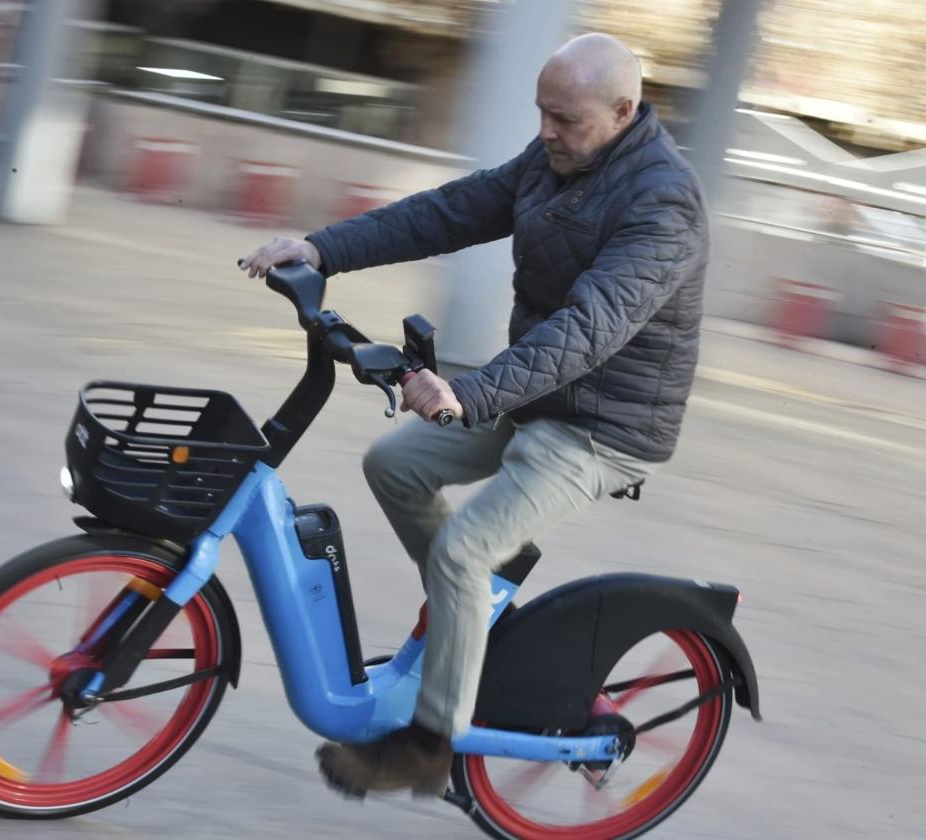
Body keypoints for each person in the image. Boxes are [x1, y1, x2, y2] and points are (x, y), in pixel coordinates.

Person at [239, 32, 709, 798]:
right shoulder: (554, 158)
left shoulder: (664, 204)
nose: (547, 131)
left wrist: (473, 392)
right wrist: (323, 250)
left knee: (462, 554)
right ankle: (476, 630)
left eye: (566, 118)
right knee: (394, 465)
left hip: (604, 428)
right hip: (539, 392)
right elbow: (450, 213)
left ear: (624, 111)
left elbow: (592, 325)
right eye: (540, 114)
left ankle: (430, 745)